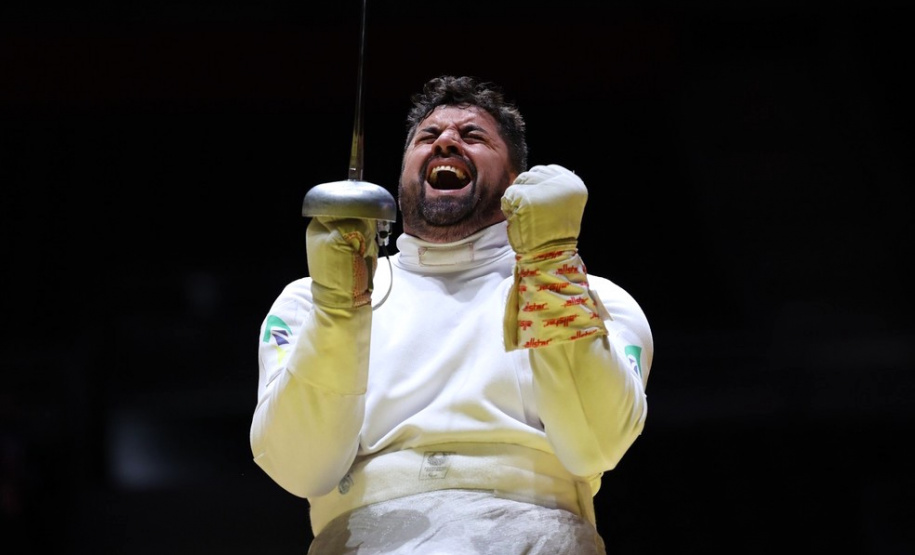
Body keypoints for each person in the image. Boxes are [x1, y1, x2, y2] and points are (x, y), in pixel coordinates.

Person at [250, 75, 653, 554]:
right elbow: (299, 468)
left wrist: (550, 270)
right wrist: (339, 307)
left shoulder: (594, 297)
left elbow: (596, 445)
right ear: (401, 176)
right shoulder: (308, 301)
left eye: (473, 136)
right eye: (428, 136)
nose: (446, 141)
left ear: (514, 182)